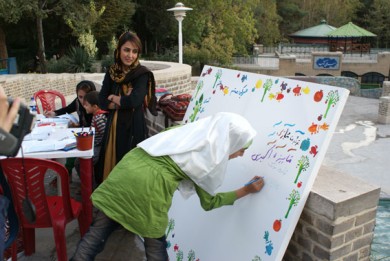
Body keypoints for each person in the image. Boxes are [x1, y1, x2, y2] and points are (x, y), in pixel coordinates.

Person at [70, 112, 265, 261]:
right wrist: (246, 190)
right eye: (241, 149)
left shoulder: (183, 130)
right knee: (155, 247)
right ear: (229, 142)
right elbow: (209, 203)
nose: (241, 155)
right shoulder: (209, 161)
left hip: (126, 170)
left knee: (96, 235)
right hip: (150, 187)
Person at [97, 31, 156, 182]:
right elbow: (101, 101)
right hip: (114, 127)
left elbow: (135, 101)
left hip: (133, 126)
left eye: (134, 51)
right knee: (112, 161)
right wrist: (121, 101)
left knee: (130, 164)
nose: (130, 55)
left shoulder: (141, 74)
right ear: (118, 50)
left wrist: (114, 97)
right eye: (126, 50)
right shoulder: (112, 72)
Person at [74, 91, 108, 179]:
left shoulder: (98, 118)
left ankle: (89, 186)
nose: (84, 107)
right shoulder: (97, 115)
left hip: (98, 147)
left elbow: (105, 135)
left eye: (86, 105)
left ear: (95, 107)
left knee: (79, 163)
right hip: (95, 145)